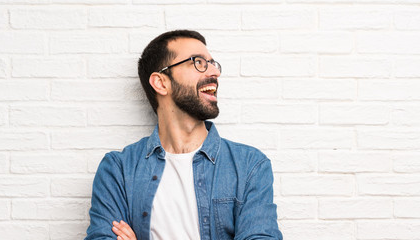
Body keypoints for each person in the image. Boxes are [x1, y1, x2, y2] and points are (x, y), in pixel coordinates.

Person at [85, 30, 283, 240]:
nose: (215, 71)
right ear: (161, 83)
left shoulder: (249, 166)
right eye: (198, 62)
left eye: (213, 63)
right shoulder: (118, 170)